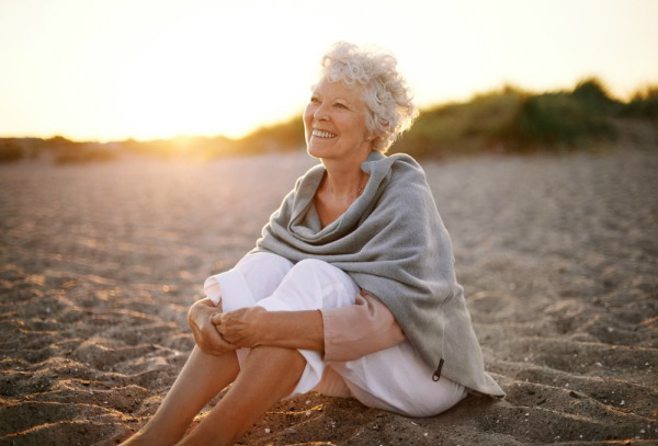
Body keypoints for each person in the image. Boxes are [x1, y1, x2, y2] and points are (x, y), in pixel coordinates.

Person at [120, 42, 504, 446]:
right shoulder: (305, 194)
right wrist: (203, 313)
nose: (319, 114)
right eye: (316, 100)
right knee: (269, 266)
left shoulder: (402, 192)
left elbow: (386, 325)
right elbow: (253, 278)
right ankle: (157, 435)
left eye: (340, 106)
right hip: (350, 369)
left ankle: (209, 439)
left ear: (374, 127)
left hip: (423, 371)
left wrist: (267, 325)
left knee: (317, 275)